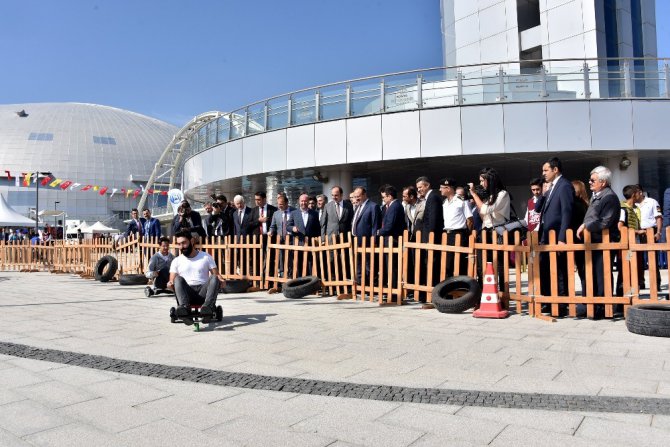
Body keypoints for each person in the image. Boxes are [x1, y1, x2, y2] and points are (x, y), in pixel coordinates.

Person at [576, 166, 621, 315]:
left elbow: (605, 221)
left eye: (593, 180)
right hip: (593, 243)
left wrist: (585, 225)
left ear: (603, 182)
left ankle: (603, 308)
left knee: (602, 275)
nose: (589, 182)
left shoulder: (609, 197)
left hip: (603, 243)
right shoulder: (597, 195)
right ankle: (593, 305)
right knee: (591, 274)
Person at [535, 157, 574, 299]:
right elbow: (537, 209)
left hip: (557, 235)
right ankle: (548, 299)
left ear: (555, 170)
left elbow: (566, 212)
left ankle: (561, 301)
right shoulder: (549, 187)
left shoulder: (564, 185)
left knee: (559, 270)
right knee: (545, 267)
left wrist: (562, 237)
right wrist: (543, 194)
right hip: (546, 235)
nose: (543, 173)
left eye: (546, 170)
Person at [168, 230, 224, 325]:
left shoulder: (206, 257)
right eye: (179, 244)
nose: (181, 247)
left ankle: (208, 308)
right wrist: (170, 284)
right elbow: (171, 280)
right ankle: (184, 309)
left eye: (184, 243)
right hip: (187, 295)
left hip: (204, 293)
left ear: (192, 241)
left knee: (214, 277)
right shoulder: (176, 261)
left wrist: (221, 281)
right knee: (178, 279)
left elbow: (217, 275)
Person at [469, 167, 510, 291]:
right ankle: (482, 294)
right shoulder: (490, 195)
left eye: (482, 181)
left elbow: (486, 210)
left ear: (490, 180)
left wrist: (474, 194)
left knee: (500, 266)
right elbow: (483, 215)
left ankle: (503, 296)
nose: (481, 184)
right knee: (481, 265)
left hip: (498, 232)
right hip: (485, 231)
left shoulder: (503, 194)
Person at [416, 176, 444, 304]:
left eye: (420, 187)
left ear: (427, 186)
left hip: (432, 238)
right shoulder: (429, 198)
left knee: (432, 265)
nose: (419, 190)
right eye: (418, 188)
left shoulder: (433, 197)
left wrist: (428, 238)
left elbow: (433, 221)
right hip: (428, 238)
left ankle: (433, 293)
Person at [439, 178, 473, 277]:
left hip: (459, 234)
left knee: (460, 263)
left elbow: (470, 219)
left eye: (442, 188)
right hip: (447, 234)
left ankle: (461, 288)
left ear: (448, 188)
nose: (440, 190)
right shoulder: (445, 202)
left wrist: (466, 234)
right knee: (447, 264)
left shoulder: (461, 201)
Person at [616, 185, 644, 296]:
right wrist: (637, 232)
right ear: (633, 195)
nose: (640, 195)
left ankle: (632, 294)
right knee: (625, 271)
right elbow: (620, 227)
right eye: (638, 193)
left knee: (635, 271)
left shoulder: (634, 209)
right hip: (626, 247)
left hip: (634, 245)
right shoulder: (623, 209)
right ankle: (621, 299)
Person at [351, 187, 381, 285]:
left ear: (364, 195)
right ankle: (361, 285)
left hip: (368, 242)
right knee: (359, 265)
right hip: (357, 242)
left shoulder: (373, 206)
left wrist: (374, 241)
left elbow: (375, 225)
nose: (356, 198)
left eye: (358, 196)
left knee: (369, 265)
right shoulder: (358, 207)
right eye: (355, 197)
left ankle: (372, 286)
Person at [637, 185, 662, 290]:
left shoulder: (652, 202)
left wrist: (659, 232)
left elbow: (659, 217)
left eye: (636, 192)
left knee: (652, 259)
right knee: (638, 259)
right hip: (637, 233)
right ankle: (640, 282)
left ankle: (656, 283)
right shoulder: (632, 204)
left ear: (641, 192)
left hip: (650, 231)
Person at [288, 194, 320, 274]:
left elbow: (317, 228)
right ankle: (300, 282)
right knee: (299, 264)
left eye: (305, 201)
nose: (303, 203)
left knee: (310, 264)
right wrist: (293, 228)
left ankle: (310, 282)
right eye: (302, 201)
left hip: (310, 243)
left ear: (308, 202)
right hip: (298, 243)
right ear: (299, 202)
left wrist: (317, 241)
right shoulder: (293, 213)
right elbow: (288, 226)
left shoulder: (314, 214)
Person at [268, 193, 294, 278]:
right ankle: (283, 275)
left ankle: (292, 274)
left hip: (292, 239)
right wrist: (271, 231)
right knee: (281, 258)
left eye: (281, 204)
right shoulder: (276, 214)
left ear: (287, 203)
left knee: (292, 258)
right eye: (278, 204)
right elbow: (273, 226)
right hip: (281, 239)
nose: (280, 206)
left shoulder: (295, 211)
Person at [571, 180, 590, 296]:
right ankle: (586, 294)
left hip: (576, 238)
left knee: (583, 271)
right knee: (585, 271)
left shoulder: (575, 204)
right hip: (584, 239)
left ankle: (585, 295)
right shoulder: (585, 203)